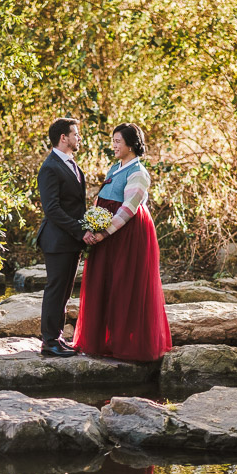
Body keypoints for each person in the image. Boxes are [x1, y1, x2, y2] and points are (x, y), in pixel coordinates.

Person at [72, 123, 172, 362]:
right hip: (107, 234)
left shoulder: (138, 173)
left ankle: (127, 344)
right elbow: (102, 202)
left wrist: (104, 232)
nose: (114, 145)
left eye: (118, 141)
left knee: (125, 284)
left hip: (126, 235)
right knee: (104, 282)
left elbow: (128, 209)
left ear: (130, 144)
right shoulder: (115, 169)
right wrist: (90, 227)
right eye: (113, 140)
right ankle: (103, 341)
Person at [36, 117, 94, 358]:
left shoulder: (71, 164)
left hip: (70, 241)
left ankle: (57, 338)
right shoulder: (50, 167)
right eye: (76, 134)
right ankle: (49, 341)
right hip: (57, 240)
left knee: (64, 292)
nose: (79, 138)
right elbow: (52, 209)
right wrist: (80, 230)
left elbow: (74, 204)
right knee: (56, 290)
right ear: (64, 137)